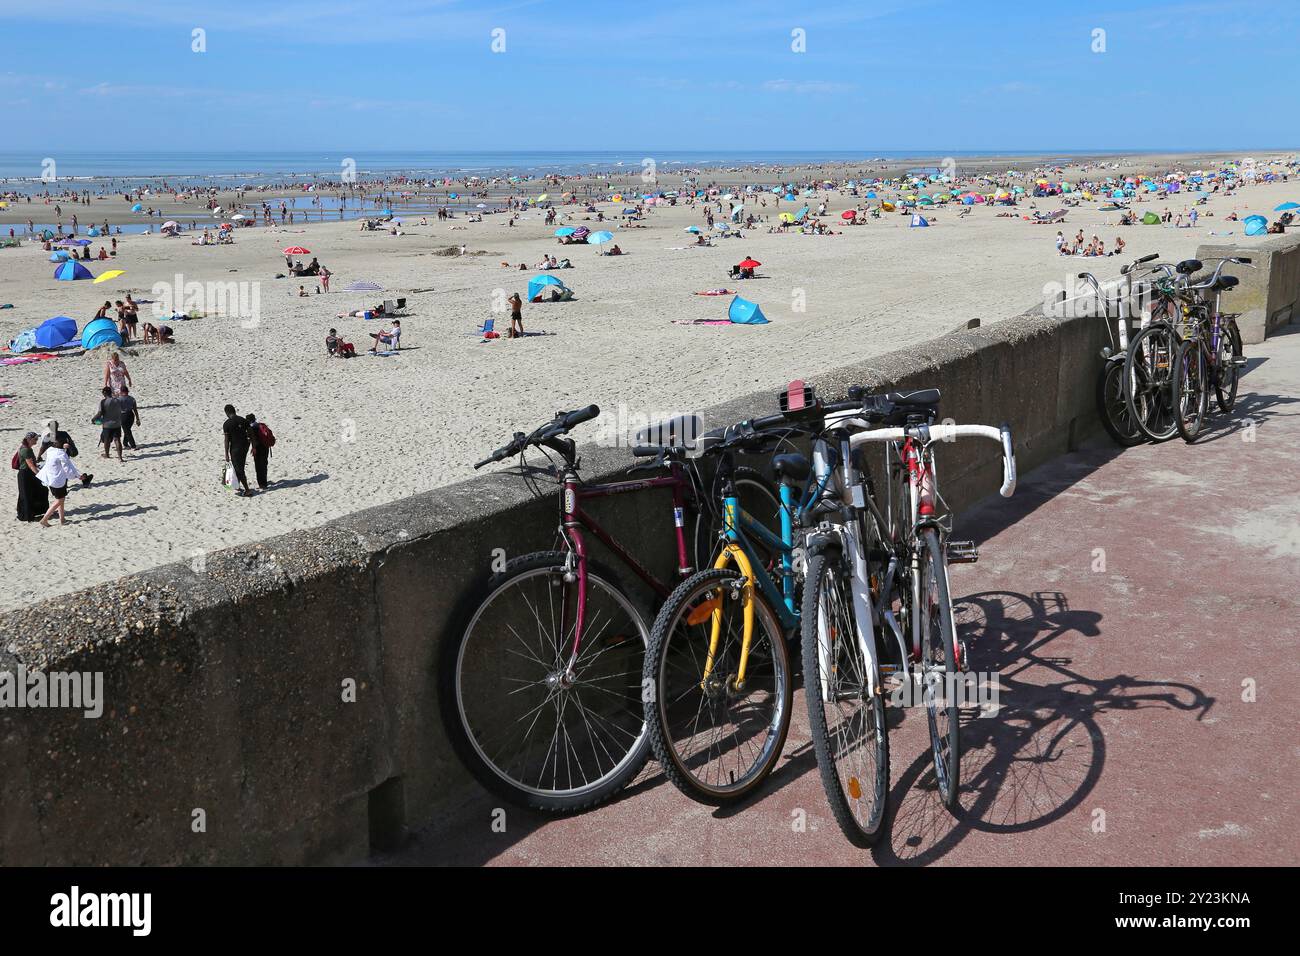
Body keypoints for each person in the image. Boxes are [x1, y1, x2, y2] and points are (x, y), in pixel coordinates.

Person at [36, 443, 82, 527]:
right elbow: (67, 468)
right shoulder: (61, 454)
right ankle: (44, 519)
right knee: (59, 500)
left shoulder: (50, 450)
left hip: (51, 478)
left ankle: (62, 519)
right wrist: (78, 476)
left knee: (61, 498)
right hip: (58, 480)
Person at [15, 432, 48, 522]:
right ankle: (27, 516)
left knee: (37, 491)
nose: (37, 441)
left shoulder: (25, 448)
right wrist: (40, 475)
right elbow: (30, 465)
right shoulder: (26, 450)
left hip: (28, 474)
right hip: (26, 475)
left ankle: (34, 513)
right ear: (29, 440)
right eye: (35, 439)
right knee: (26, 495)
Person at [223, 404, 253, 496]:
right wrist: (253, 445)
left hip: (235, 448)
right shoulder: (243, 420)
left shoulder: (227, 424)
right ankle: (237, 485)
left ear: (227, 413)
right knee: (240, 466)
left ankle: (247, 490)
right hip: (245, 447)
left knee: (239, 469)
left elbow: (227, 440)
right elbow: (251, 433)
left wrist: (226, 454)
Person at [97, 387, 125, 461]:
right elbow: (122, 409)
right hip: (117, 423)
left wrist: (94, 419)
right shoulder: (117, 400)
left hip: (107, 424)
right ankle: (120, 457)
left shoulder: (103, 402)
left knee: (107, 440)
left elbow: (100, 413)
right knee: (117, 440)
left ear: (105, 393)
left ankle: (107, 454)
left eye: (103, 392)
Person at [246, 413, 272, 490]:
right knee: (264, 464)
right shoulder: (261, 425)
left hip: (257, 448)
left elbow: (253, 439)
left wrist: (253, 448)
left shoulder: (251, 428)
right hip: (265, 447)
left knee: (258, 466)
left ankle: (261, 484)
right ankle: (264, 482)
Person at [118, 385, 140, 450]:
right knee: (127, 430)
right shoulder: (132, 399)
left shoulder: (119, 399)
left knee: (127, 431)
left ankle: (133, 445)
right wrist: (137, 418)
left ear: (121, 392)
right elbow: (135, 409)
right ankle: (125, 443)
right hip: (131, 415)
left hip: (123, 415)